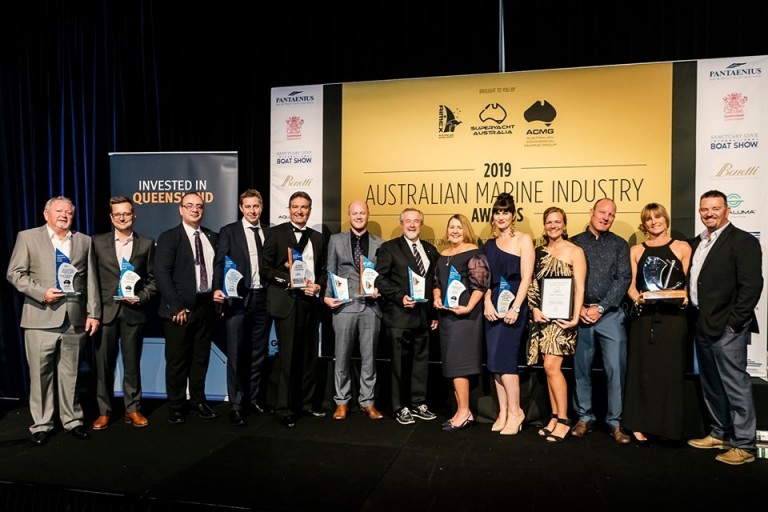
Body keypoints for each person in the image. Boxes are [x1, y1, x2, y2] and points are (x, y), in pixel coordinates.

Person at [6, 195, 101, 446]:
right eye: (59, 211)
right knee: (41, 375)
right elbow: (14, 273)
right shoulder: (27, 237)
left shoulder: (83, 241)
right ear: (45, 214)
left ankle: (72, 421)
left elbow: (90, 279)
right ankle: (42, 424)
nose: (64, 215)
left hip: (74, 319)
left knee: (71, 375)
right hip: (39, 318)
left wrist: (93, 313)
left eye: (69, 212)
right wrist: (41, 292)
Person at [687, 190, 763, 465]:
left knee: (735, 384)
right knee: (712, 383)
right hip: (701, 324)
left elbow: (752, 286)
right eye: (704, 209)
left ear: (727, 210)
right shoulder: (697, 242)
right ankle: (720, 433)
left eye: (715, 208)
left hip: (728, 328)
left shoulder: (742, 241)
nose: (709, 213)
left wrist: (734, 323)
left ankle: (744, 445)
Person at [622, 203, 691, 446]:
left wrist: (684, 298)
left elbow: (687, 284)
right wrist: (636, 298)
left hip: (674, 321)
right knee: (642, 372)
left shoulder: (682, 247)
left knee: (669, 373)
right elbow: (630, 285)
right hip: (643, 319)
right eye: (649, 219)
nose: (654, 222)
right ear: (644, 223)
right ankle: (638, 426)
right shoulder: (636, 250)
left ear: (666, 219)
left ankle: (668, 428)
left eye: (658, 217)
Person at [261, 191, 328, 428]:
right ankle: (284, 408)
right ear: (289, 209)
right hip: (287, 301)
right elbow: (265, 268)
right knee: (288, 357)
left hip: (311, 302)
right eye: (296, 207)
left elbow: (322, 269)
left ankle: (306, 404)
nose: (300, 211)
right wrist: (287, 280)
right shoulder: (275, 233)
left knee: (309, 356)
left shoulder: (318, 238)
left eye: (305, 207)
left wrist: (319, 285)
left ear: (310, 210)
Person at [92, 196, 157, 430]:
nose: (122, 217)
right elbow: (90, 280)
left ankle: (133, 409)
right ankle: (104, 411)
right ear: (111, 217)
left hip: (133, 312)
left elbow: (153, 280)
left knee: (132, 364)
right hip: (105, 313)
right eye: (117, 214)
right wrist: (93, 311)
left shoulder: (147, 244)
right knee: (103, 365)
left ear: (134, 216)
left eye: (126, 213)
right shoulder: (96, 243)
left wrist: (141, 297)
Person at [570, 198, 632, 443]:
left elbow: (623, 278)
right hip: (580, 314)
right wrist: (581, 307)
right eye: (602, 212)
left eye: (611, 214)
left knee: (616, 369)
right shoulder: (575, 243)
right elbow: (569, 278)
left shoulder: (619, 244)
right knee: (581, 369)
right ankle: (584, 417)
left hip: (610, 316)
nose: (606, 217)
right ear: (591, 212)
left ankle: (615, 423)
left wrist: (601, 307)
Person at [155, 192, 219, 425]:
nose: (195, 209)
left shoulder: (212, 236)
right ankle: (176, 405)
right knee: (177, 360)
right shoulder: (169, 237)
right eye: (189, 206)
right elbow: (162, 274)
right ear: (180, 210)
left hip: (206, 306)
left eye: (199, 206)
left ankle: (198, 401)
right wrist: (176, 306)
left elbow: (219, 270)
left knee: (200, 358)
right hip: (179, 310)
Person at [212, 189, 274, 426]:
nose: (252, 210)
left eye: (256, 206)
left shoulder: (269, 231)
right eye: (248, 206)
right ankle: (236, 405)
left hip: (264, 298)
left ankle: (254, 398)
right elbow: (220, 262)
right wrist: (218, 289)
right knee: (237, 353)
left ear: (262, 206)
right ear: (241, 208)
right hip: (238, 299)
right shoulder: (229, 231)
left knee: (259, 353)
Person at [526, 206, 586, 443]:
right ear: (544, 225)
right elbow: (532, 283)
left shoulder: (575, 251)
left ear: (565, 224)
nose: (553, 225)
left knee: (552, 367)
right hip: (542, 318)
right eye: (549, 222)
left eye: (557, 221)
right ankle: (553, 417)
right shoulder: (538, 251)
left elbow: (580, 286)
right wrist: (534, 309)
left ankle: (563, 420)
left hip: (563, 319)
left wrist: (575, 316)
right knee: (548, 368)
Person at [375, 207, 439, 425]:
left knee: (420, 363)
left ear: (421, 224)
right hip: (399, 317)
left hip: (423, 317)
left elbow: (434, 285)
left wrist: (434, 314)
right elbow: (380, 279)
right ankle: (399, 406)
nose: (412, 225)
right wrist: (400, 296)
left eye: (416, 221)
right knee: (399, 365)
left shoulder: (430, 250)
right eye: (408, 221)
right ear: (401, 224)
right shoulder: (389, 248)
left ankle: (418, 402)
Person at [323, 200, 385, 421]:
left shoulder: (380, 243)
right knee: (342, 356)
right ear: (349, 215)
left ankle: (367, 402)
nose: (359, 216)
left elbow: (383, 276)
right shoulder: (336, 240)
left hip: (371, 307)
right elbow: (330, 269)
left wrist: (379, 291)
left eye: (362, 213)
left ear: (368, 215)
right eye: (355, 213)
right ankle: (342, 402)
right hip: (344, 305)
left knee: (369, 358)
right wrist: (327, 296)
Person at [482, 192, 535, 435]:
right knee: (494, 362)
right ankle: (503, 412)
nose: (501, 216)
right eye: (497, 212)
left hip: (515, 303)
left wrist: (516, 307)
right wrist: (486, 303)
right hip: (493, 305)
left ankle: (516, 412)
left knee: (506, 362)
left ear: (513, 215)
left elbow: (526, 278)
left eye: (505, 212)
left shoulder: (524, 240)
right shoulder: (488, 245)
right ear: (493, 216)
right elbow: (483, 280)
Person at [432, 214, 489, 431]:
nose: (454, 231)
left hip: (465, 318)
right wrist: (437, 297)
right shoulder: (443, 254)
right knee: (451, 364)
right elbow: (437, 281)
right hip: (446, 316)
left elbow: (480, 285)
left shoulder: (474, 253)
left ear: (465, 229)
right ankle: (463, 411)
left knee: (458, 366)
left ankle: (464, 412)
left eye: (458, 227)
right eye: (451, 227)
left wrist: (468, 307)